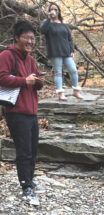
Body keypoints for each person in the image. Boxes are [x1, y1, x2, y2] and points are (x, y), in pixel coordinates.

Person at [0, 20, 43, 204]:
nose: (30, 41)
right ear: (17, 37)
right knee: (24, 151)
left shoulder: (31, 59)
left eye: (33, 38)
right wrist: (24, 81)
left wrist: (38, 81)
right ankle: (25, 186)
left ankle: (30, 180)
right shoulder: (7, 55)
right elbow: (2, 77)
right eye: (27, 37)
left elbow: (37, 82)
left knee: (32, 150)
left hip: (31, 111)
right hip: (16, 111)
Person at [40, 2, 83, 100]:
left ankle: (76, 91)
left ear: (58, 11)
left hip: (67, 52)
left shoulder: (64, 25)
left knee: (73, 70)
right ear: (49, 11)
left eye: (55, 9)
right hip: (55, 52)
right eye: (51, 9)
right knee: (58, 72)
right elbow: (42, 30)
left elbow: (69, 38)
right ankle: (60, 94)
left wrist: (72, 50)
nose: (53, 11)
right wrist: (48, 18)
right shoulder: (48, 24)